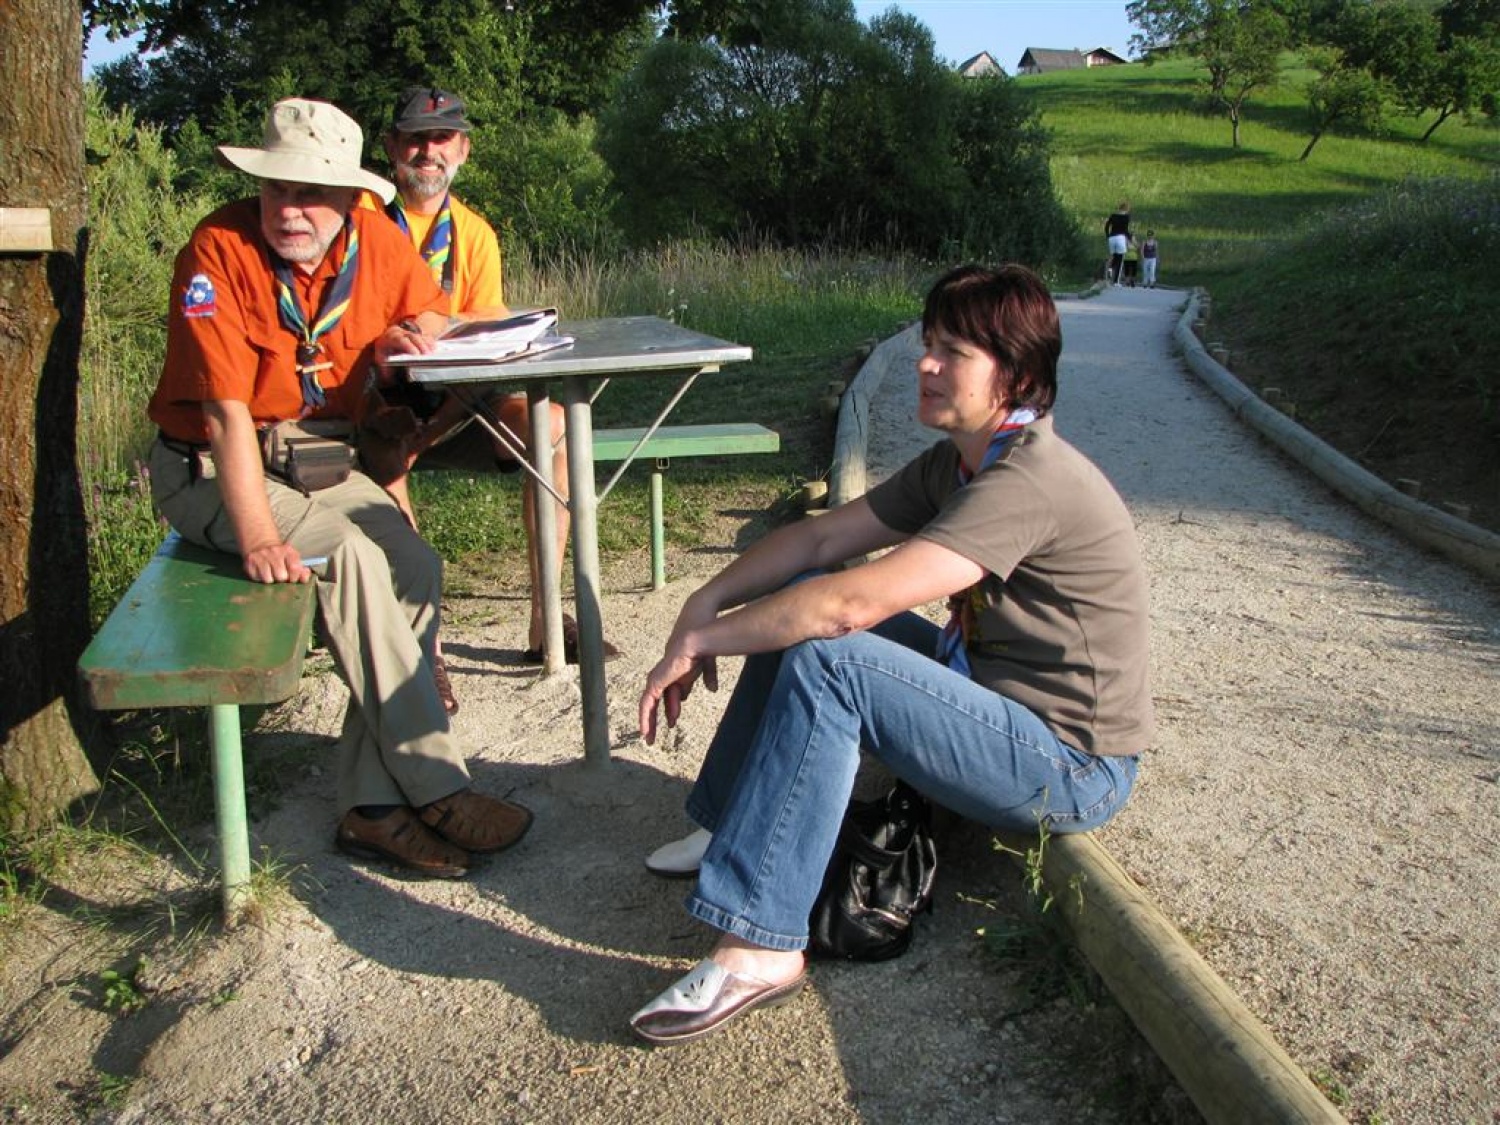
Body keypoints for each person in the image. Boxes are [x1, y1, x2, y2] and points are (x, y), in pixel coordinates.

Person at [629, 264, 1154, 1046]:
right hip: (991, 700)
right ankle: (733, 822)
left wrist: (703, 640)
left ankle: (760, 944)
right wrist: (703, 602)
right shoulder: (962, 461)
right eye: (927, 343)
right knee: (799, 597)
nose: (926, 363)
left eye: (953, 352)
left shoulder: (1029, 479)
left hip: (1069, 762)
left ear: (1014, 376)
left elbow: (851, 606)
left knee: (830, 651)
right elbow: (821, 540)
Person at [147, 96, 533, 879]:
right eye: (276, 188)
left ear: (350, 197)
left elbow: (434, 312)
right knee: (351, 558)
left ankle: (370, 809)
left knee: (414, 563)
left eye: (311, 192)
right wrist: (259, 536)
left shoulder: (375, 242)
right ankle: (438, 786)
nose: (289, 209)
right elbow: (223, 414)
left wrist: (408, 332)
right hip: (213, 468)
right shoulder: (218, 251)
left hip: (316, 459)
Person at [368, 86, 617, 672]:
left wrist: (431, 431)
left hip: (458, 409)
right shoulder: (362, 221)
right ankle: (423, 646)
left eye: (442, 139)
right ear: (392, 146)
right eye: (415, 139)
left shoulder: (475, 235)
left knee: (554, 426)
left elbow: (486, 355)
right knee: (385, 455)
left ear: (463, 150)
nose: (428, 151)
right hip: (373, 408)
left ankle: (546, 621)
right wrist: (403, 433)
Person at [1104, 200, 1131, 286]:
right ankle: (1116, 281)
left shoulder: (1113, 215)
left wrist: (1108, 235)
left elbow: (1107, 226)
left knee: (1114, 256)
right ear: (1127, 209)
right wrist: (1130, 238)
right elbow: (1125, 230)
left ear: (1119, 208)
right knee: (1120, 259)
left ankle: (1110, 269)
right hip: (1120, 238)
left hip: (1112, 238)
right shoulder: (1126, 217)